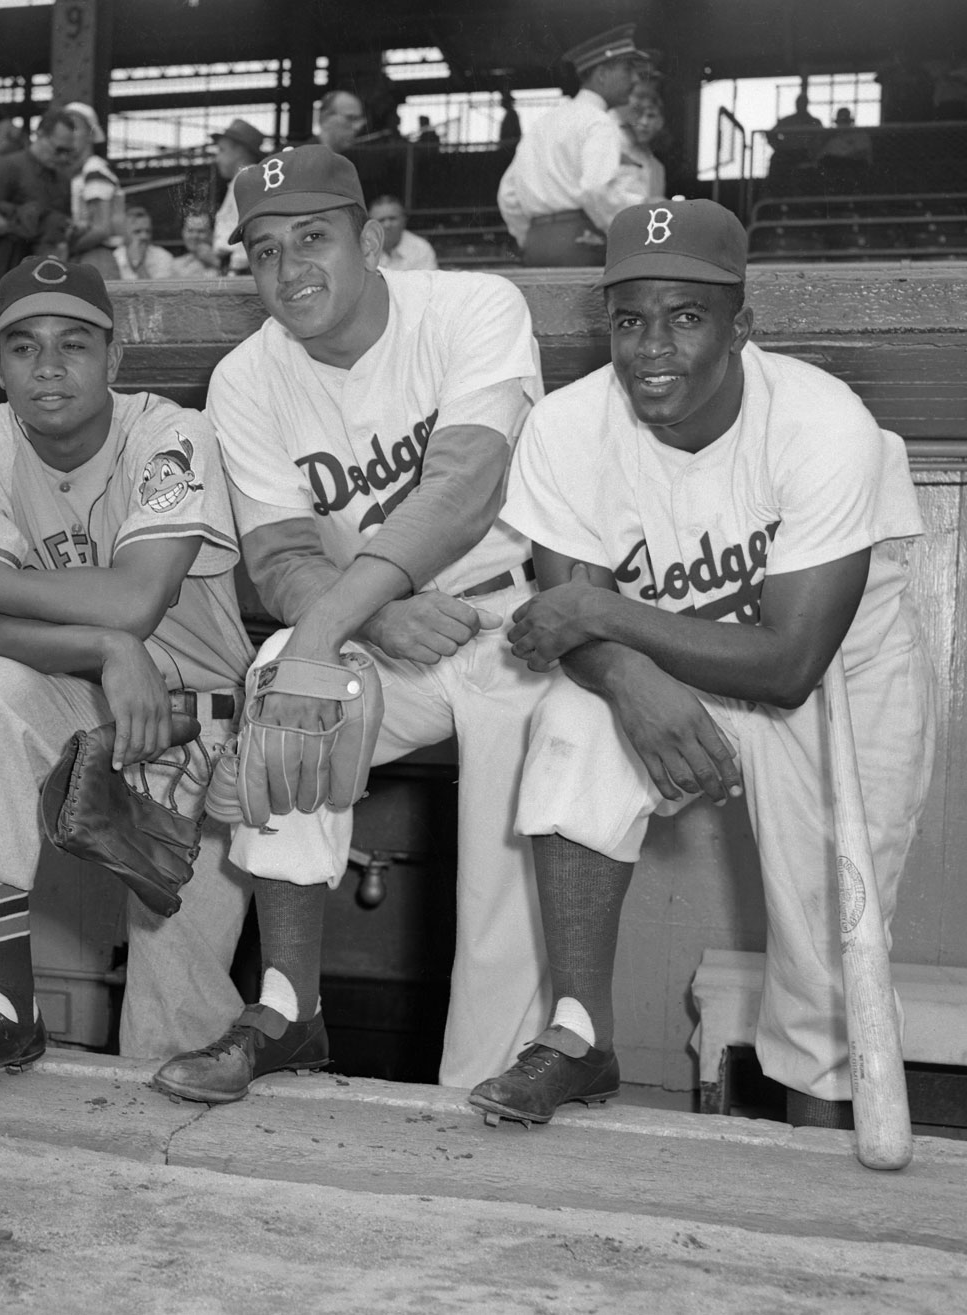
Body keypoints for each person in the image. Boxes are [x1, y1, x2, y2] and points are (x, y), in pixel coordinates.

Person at [468, 199, 936, 1132]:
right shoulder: (569, 426)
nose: (653, 348)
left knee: (826, 955)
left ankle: (815, 1181)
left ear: (741, 326)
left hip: (840, 686)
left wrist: (602, 613)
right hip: (671, 665)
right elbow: (568, 632)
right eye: (630, 320)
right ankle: (578, 1036)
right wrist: (629, 677)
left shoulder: (819, 422)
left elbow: (788, 661)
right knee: (572, 725)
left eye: (686, 317)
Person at [148, 146, 554, 1105]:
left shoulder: (472, 307)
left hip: (512, 613)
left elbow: (463, 490)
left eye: (314, 238)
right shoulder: (247, 377)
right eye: (262, 251)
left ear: (372, 238)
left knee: (506, 854)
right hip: (382, 630)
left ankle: (485, 1087)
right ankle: (289, 1008)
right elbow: (283, 558)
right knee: (283, 686)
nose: (290, 272)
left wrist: (340, 622)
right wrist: (362, 621)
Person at [0, 256, 255, 1089]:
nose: (48, 366)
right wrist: (101, 649)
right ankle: (8, 1009)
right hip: (79, 698)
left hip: (201, 726)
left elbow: (134, 599)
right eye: (23, 346)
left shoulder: (170, 433)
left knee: (174, 1031)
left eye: (74, 344)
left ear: (115, 359)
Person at [497, 25, 651, 266]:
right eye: (627, 68)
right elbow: (595, 188)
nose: (634, 79)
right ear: (602, 73)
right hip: (584, 243)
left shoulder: (545, 121)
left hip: (537, 245)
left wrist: (528, 237)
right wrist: (624, 239)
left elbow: (507, 193)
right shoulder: (599, 122)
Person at [0, 107, 78, 284]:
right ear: (40, 135)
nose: (62, 157)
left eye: (67, 152)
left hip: (46, 268)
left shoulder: (63, 179)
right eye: (58, 149)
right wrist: (21, 226)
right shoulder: (9, 166)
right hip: (6, 263)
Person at [62, 102, 124, 279]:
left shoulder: (94, 168)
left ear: (90, 132)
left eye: (75, 127)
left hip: (96, 258)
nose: (69, 134)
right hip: (88, 257)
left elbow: (101, 229)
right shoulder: (82, 172)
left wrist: (65, 250)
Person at [210, 117, 265, 274]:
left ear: (239, 151)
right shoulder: (242, 179)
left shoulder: (248, 179)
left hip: (241, 271)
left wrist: (235, 270)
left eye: (222, 150)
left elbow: (252, 230)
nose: (217, 158)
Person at [614, 82, 667, 204]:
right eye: (638, 114)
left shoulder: (657, 168)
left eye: (651, 116)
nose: (644, 122)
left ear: (660, 122)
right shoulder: (614, 148)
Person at [766, 92, 823, 184]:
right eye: (799, 102)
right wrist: (779, 146)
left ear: (807, 104)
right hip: (786, 153)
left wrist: (814, 151)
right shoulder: (787, 120)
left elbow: (820, 138)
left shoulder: (814, 122)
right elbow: (770, 134)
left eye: (803, 102)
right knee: (776, 160)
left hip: (806, 154)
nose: (800, 105)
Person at [369, 196, 438, 271]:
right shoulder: (363, 248)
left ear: (404, 220)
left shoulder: (421, 249)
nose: (387, 225)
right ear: (371, 225)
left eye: (392, 218)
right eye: (381, 220)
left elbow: (427, 282)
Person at [115, 206, 176, 281]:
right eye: (137, 231)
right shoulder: (113, 258)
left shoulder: (163, 257)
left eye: (148, 231)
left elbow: (157, 292)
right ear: (124, 233)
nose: (144, 236)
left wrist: (139, 265)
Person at [170, 212, 222, 279]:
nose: (195, 236)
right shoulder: (175, 264)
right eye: (190, 230)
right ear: (182, 233)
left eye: (201, 231)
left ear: (212, 233)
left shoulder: (225, 261)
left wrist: (216, 263)